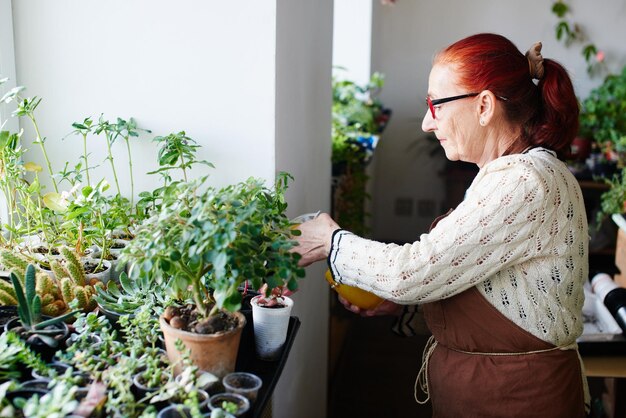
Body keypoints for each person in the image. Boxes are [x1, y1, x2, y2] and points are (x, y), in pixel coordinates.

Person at [294, 33, 589, 417]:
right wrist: (404, 311)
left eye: (436, 104)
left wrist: (329, 241)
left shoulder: (524, 181)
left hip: (518, 400)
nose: (426, 124)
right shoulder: (508, 175)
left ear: (484, 105)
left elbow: (410, 270)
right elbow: (492, 286)